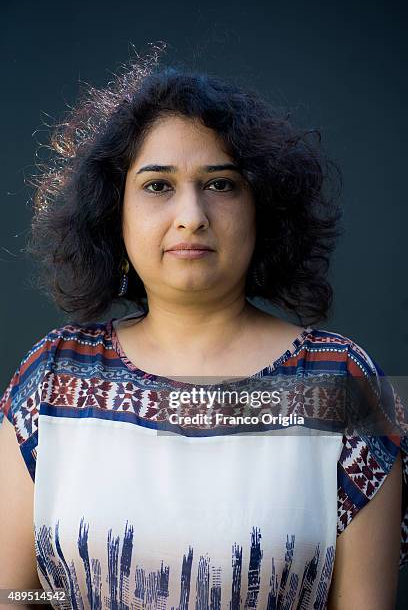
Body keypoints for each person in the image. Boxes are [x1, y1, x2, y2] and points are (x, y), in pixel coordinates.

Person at [1, 45, 407, 610]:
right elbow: (14, 594)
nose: (190, 214)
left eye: (220, 184)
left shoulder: (344, 387)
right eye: (157, 185)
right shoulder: (51, 379)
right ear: (111, 212)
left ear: (262, 206)